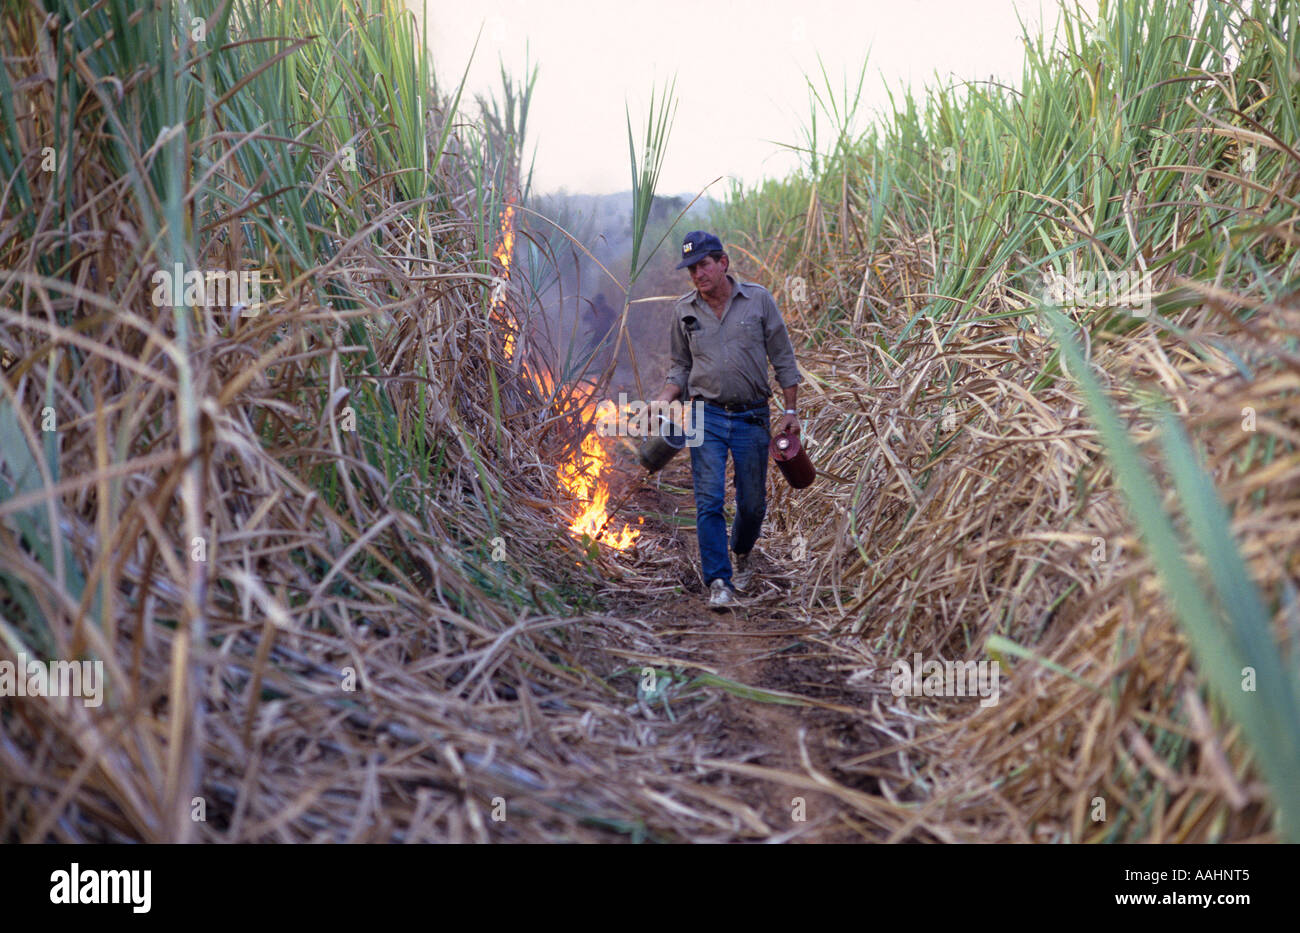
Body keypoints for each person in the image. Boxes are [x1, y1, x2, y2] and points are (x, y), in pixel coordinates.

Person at [654, 231, 802, 609]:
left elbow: (783, 358)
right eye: (691, 268)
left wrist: (790, 411)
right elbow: (680, 367)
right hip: (707, 415)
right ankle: (719, 581)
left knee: (752, 504)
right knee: (709, 501)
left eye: (703, 264)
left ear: (723, 263)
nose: (697, 274)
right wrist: (664, 399)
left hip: (752, 415)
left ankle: (742, 551)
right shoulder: (684, 311)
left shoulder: (758, 301)